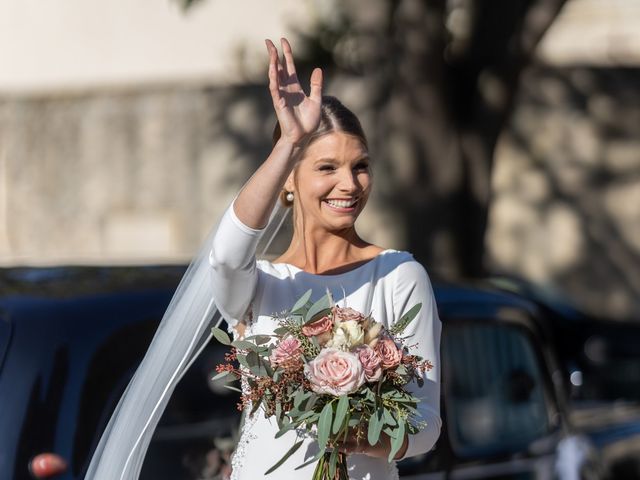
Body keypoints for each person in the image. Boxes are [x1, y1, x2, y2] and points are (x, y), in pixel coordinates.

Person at [208, 37, 442, 480]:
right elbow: (225, 256)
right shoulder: (259, 284)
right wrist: (290, 142)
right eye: (327, 167)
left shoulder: (398, 274)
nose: (350, 184)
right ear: (289, 181)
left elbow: (427, 424)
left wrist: (353, 433)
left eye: (361, 166)